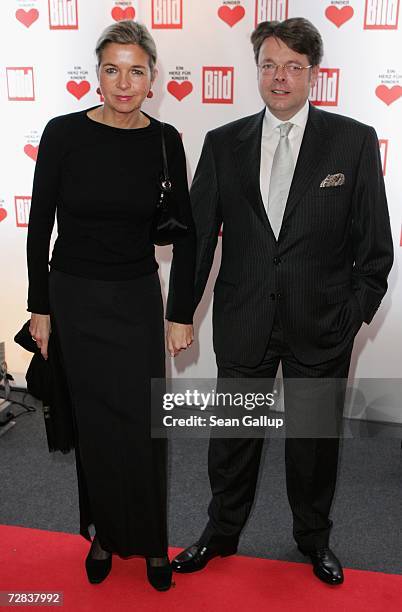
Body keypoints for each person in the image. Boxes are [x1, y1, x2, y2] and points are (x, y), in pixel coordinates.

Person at [172, 18, 393, 585]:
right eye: (269, 64)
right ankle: (220, 533)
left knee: (313, 446)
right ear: (258, 70)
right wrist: (181, 313)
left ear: (313, 75)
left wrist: (353, 316)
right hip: (246, 319)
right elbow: (197, 240)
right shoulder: (224, 144)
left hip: (322, 325)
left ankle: (313, 539)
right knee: (232, 443)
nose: (280, 77)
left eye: (294, 66)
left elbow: (375, 247)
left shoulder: (354, 140)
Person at [27, 20, 195, 592]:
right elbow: (39, 227)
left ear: (153, 78)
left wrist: (180, 312)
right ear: (97, 76)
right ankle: (101, 533)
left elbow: (188, 235)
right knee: (95, 425)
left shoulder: (165, 140)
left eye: (137, 70)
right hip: (73, 296)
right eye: (112, 69)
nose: (124, 82)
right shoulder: (62, 133)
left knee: (143, 424)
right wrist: (39, 307)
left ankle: (150, 542)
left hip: (135, 297)